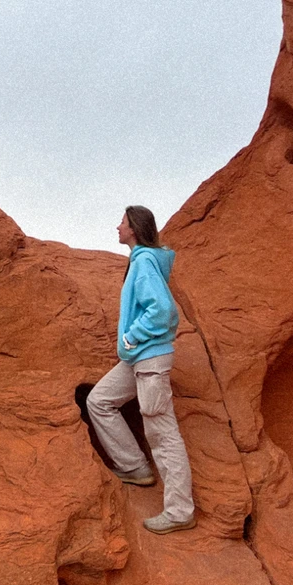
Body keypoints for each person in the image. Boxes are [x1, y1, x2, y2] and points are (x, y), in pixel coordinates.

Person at [86, 205, 196, 535]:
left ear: (134, 227)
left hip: (148, 359)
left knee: (162, 435)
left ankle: (179, 511)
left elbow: (163, 310)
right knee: (99, 401)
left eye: (121, 222)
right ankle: (134, 467)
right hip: (137, 360)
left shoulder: (145, 260)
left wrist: (133, 336)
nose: (117, 227)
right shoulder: (140, 261)